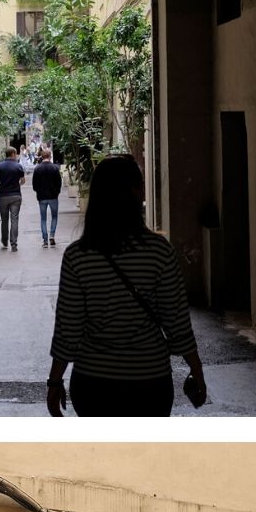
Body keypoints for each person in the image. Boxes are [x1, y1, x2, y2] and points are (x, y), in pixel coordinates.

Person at [47, 155, 206, 416]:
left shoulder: (78, 256)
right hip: (149, 381)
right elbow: (176, 320)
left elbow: (68, 327)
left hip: (93, 381)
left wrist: (55, 382)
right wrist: (196, 369)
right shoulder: (159, 252)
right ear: (135, 193)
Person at [0, 145, 27, 251]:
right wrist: (17, 185)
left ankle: (5, 240)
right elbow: (23, 181)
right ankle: (14, 243)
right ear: (13, 154)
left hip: (3, 196)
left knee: (4, 220)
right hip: (15, 196)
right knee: (14, 219)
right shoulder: (18, 166)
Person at [32, 148, 63, 247]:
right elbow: (59, 183)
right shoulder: (55, 168)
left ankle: (45, 240)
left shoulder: (37, 168)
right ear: (50, 156)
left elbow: (34, 185)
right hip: (53, 196)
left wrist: (38, 191)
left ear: (42, 156)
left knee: (43, 218)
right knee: (54, 217)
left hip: (42, 197)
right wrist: (57, 192)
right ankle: (52, 236)